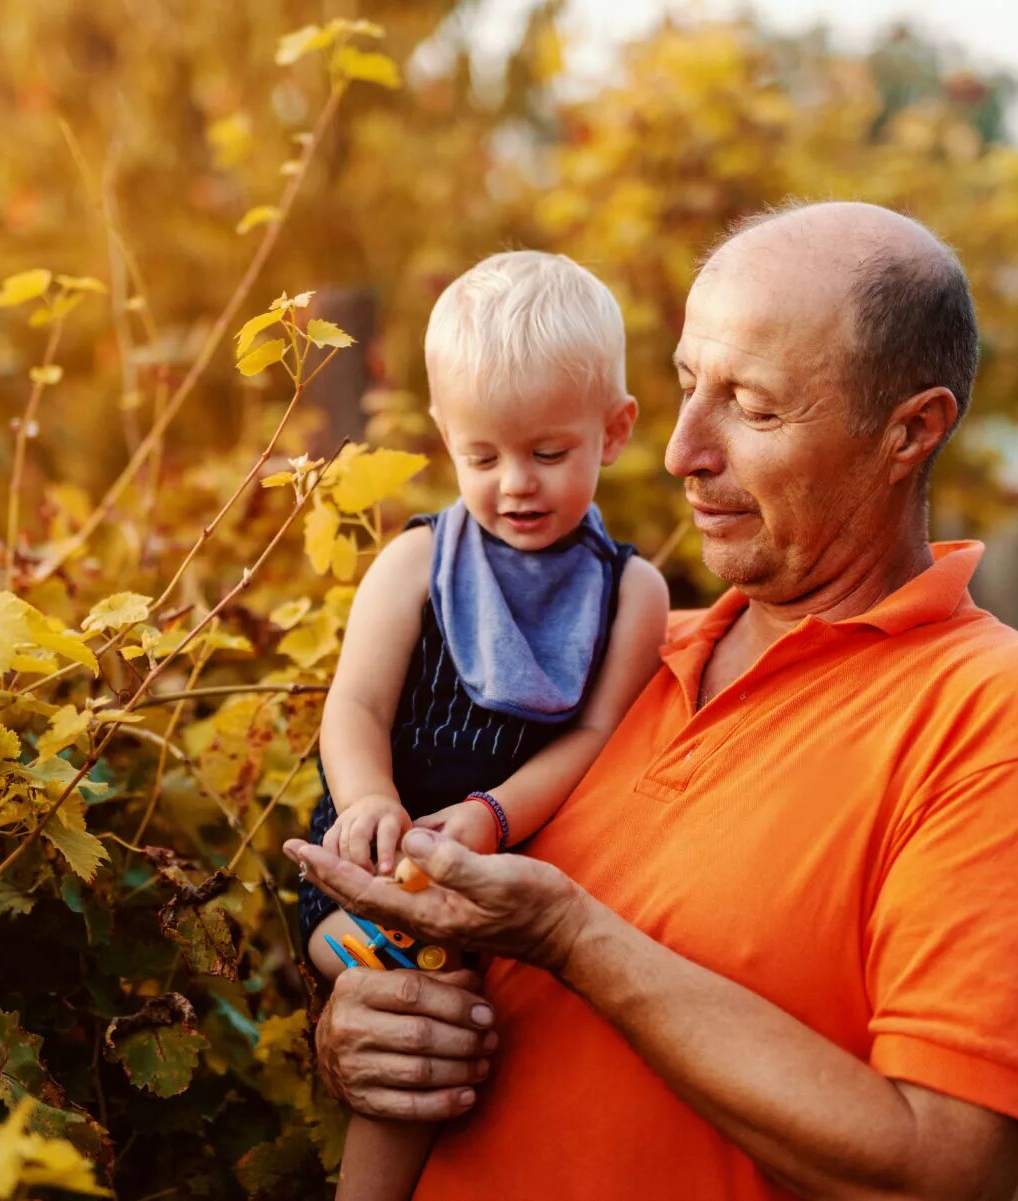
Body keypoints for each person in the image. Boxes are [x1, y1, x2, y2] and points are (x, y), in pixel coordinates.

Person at [288, 201, 1018, 1200]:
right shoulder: (617, 656)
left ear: (910, 430)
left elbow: (938, 1171)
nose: (684, 447)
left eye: (754, 405)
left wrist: (574, 937)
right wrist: (361, 1040)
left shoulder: (1011, 723)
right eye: (690, 385)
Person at [300, 250, 670, 1199]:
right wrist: (371, 802)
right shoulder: (416, 563)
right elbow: (356, 706)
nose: (516, 484)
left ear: (615, 429)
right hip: (377, 856)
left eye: (550, 453)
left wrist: (493, 817)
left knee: (483, 1024)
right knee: (417, 987)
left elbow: (590, 741)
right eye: (482, 456)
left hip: (507, 854)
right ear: (445, 438)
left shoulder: (630, 592)